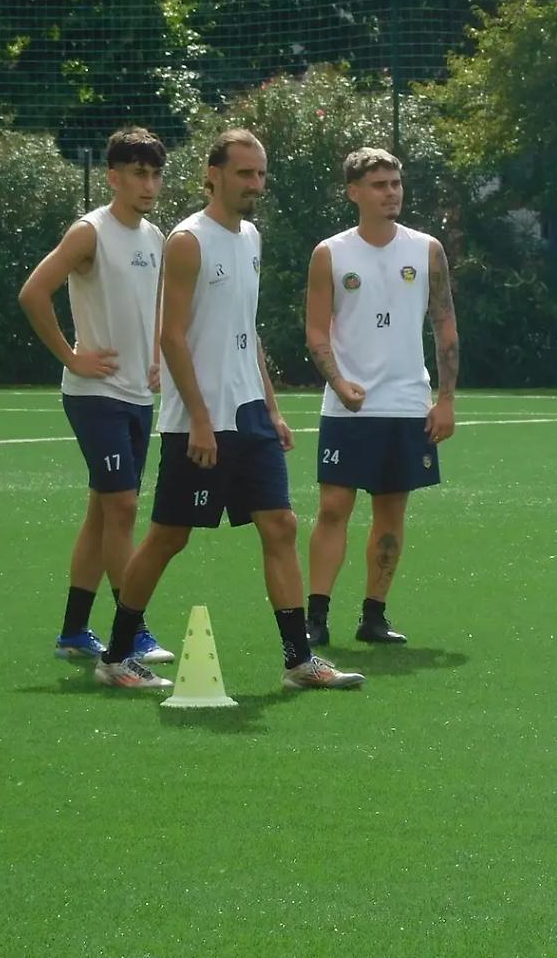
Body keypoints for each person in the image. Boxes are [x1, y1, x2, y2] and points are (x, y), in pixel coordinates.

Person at [94, 128, 363, 691]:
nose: (255, 184)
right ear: (213, 174)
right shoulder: (189, 240)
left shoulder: (252, 238)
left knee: (281, 524)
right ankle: (116, 657)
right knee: (170, 535)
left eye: (261, 174)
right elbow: (170, 337)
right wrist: (196, 417)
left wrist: (272, 408)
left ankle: (299, 662)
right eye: (245, 173)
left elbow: (246, 331)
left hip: (248, 416)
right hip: (200, 421)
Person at [18, 127, 174, 666]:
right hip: (93, 393)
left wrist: (157, 356)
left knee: (102, 513)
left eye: (155, 174)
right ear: (113, 177)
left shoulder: (156, 238)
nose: (149, 184)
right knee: (124, 506)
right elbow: (34, 292)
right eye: (138, 174)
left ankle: (73, 632)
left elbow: (154, 308)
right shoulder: (91, 232)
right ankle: (133, 631)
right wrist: (71, 356)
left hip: (136, 396)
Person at [303, 147, 458, 648]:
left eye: (395, 184)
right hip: (349, 407)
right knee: (333, 507)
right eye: (379, 185)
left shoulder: (427, 249)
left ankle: (374, 615)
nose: (391, 193)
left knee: (391, 514)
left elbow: (445, 325)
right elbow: (316, 332)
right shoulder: (330, 253)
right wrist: (339, 383)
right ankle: (316, 617)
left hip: (407, 405)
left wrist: (446, 399)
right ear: (354, 193)